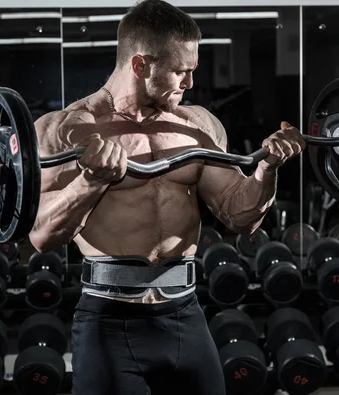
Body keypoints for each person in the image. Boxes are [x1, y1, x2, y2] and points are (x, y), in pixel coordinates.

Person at [28, 1, 305, 394]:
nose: (189, 82)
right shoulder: (64, 131)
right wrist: (90, 181)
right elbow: (41, 236)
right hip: (109, 322)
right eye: (181, 71)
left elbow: (240, 216)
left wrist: (266, 171)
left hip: (186, 316)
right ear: (140, 65)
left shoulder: (197, 126)